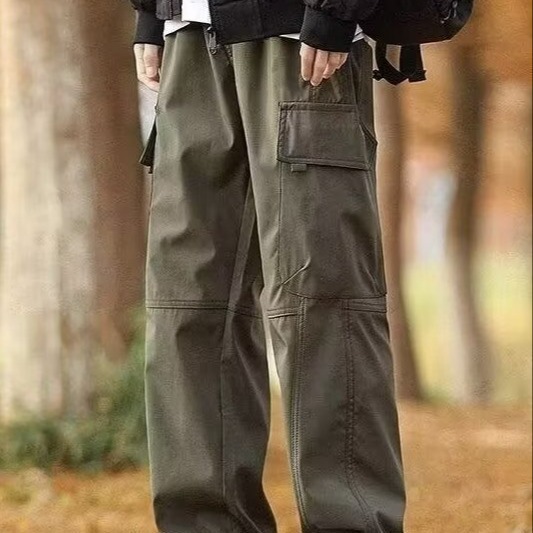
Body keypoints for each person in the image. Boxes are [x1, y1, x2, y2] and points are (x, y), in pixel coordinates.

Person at [130, 1, 407, 531]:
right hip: (189, 34)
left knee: (323, 301)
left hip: (298, 36)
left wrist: (337, 9)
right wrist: (152, 11)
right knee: (188, 305)